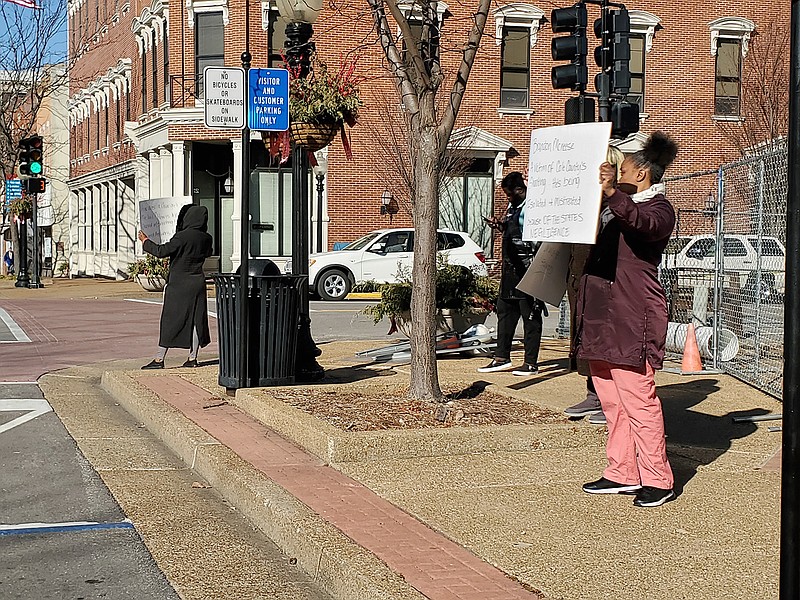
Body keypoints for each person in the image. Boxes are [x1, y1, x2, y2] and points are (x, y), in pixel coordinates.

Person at [575, 131, 679, 508]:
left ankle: (657, 478)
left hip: (632, 313)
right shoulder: (613, 203)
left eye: (627, 165)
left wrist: (612, 195)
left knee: (638, 399)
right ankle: (621, 471)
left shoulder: (659, 208)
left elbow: (641, 222)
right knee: (611, 400)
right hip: (602, 311)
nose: (620, 169)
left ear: (643, 173)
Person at [564, 146, 626, 425]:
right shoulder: (584, 201)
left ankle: (611, 398)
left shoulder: (621, 201)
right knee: (585, 336)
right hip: (581, 275)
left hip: (609, 280)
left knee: (607, 339)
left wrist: (610, 190)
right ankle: (594, 392)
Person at [477, 171, 544, 376]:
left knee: (530, 315)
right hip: (509, 268)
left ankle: (530, 362)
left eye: (510, 194)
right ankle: (501, 356)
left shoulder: (533, 207)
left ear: (520, 190)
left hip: (528, 267)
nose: (508, 198)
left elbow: (534, 237)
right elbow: (512, 229)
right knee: (505, 312)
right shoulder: (513, 207)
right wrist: (499, 225)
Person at [138, 205, 214, 369]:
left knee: (170, 320)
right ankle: (192, 358)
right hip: (197, 282)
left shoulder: (182, 237)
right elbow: (208, 252)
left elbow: (161, 251)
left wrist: (145, 241)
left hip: (179, 283)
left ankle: (159, 359)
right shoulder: (206, 238)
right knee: (196, 320)